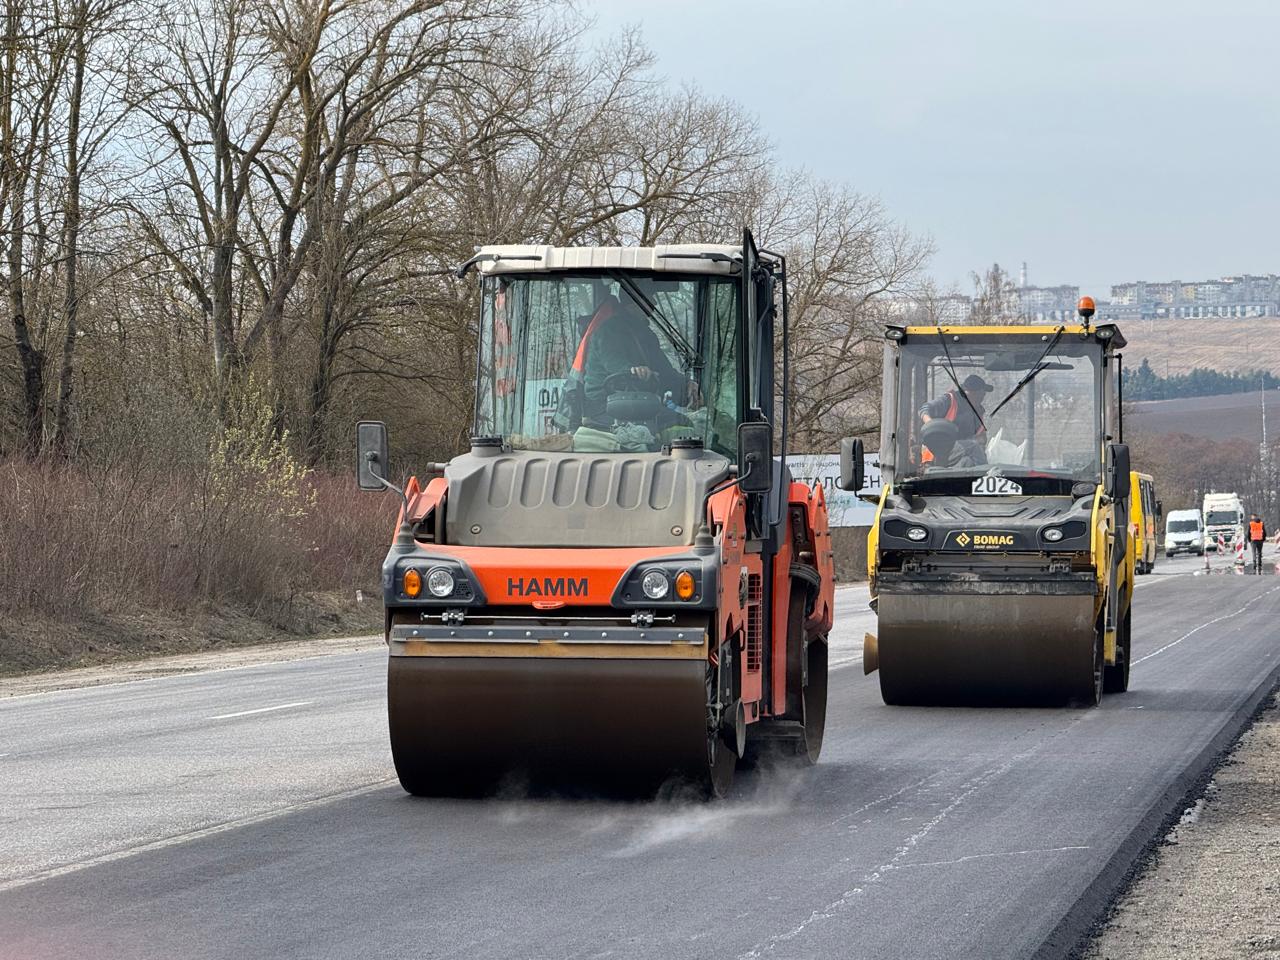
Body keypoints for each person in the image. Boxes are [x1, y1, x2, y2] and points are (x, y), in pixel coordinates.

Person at [554, 293, 699, 434]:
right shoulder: (608, 330)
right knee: (667, 423)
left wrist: (686, 385)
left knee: (682, 422)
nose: (654, 303)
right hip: (603, 405)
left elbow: (664, 369)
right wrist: (632, 370)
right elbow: (614, 363)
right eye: (649, 297)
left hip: (635, 400)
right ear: (633, 302)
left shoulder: (645, 334)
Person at [919, 373, 993, 464]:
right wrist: (930, 424)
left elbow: (980, 437)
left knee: (968, 461)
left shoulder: (978, 412)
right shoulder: (949, 400)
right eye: (982, 393)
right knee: (974, 447)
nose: (983, 397)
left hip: (958, 453)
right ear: (971, 392)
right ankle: (985, 475)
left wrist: (981, 439)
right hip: (938, 449)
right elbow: (924, 408)